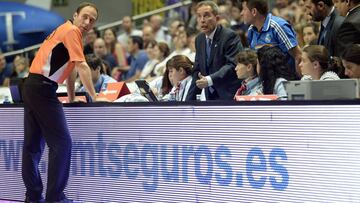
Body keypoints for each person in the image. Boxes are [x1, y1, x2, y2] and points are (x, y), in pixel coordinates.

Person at [21, 2, 103, 202]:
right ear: (75, 15)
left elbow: (71, 69)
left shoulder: (64, 30)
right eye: (84, 16)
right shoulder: (72, 31)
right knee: (62, 144)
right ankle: (55, 198)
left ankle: (32, 197)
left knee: (32, 147)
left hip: (31, 86)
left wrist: (73, 97)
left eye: (92, 20)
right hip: (43, 89)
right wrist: (96, 96)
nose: (87, 22)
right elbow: (82, 67)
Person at [186, 1, 243, 101]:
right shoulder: (199, 39)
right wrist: (187, 103)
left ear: (217, 18)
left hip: (229, 95)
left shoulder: (229, 36)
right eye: (199, 16)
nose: (202, 20)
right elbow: (197, 71)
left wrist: (210, 80)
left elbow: (232, 65)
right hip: (210, 97)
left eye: (206, 15)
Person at [240, 0, 302, 75]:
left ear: (254, 12)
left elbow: (298, 56)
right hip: (266, 81)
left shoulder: (278, 26)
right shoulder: (251, 31)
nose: (241, 13)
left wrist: (299, 82)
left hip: (286, 80)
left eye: (244, 9)